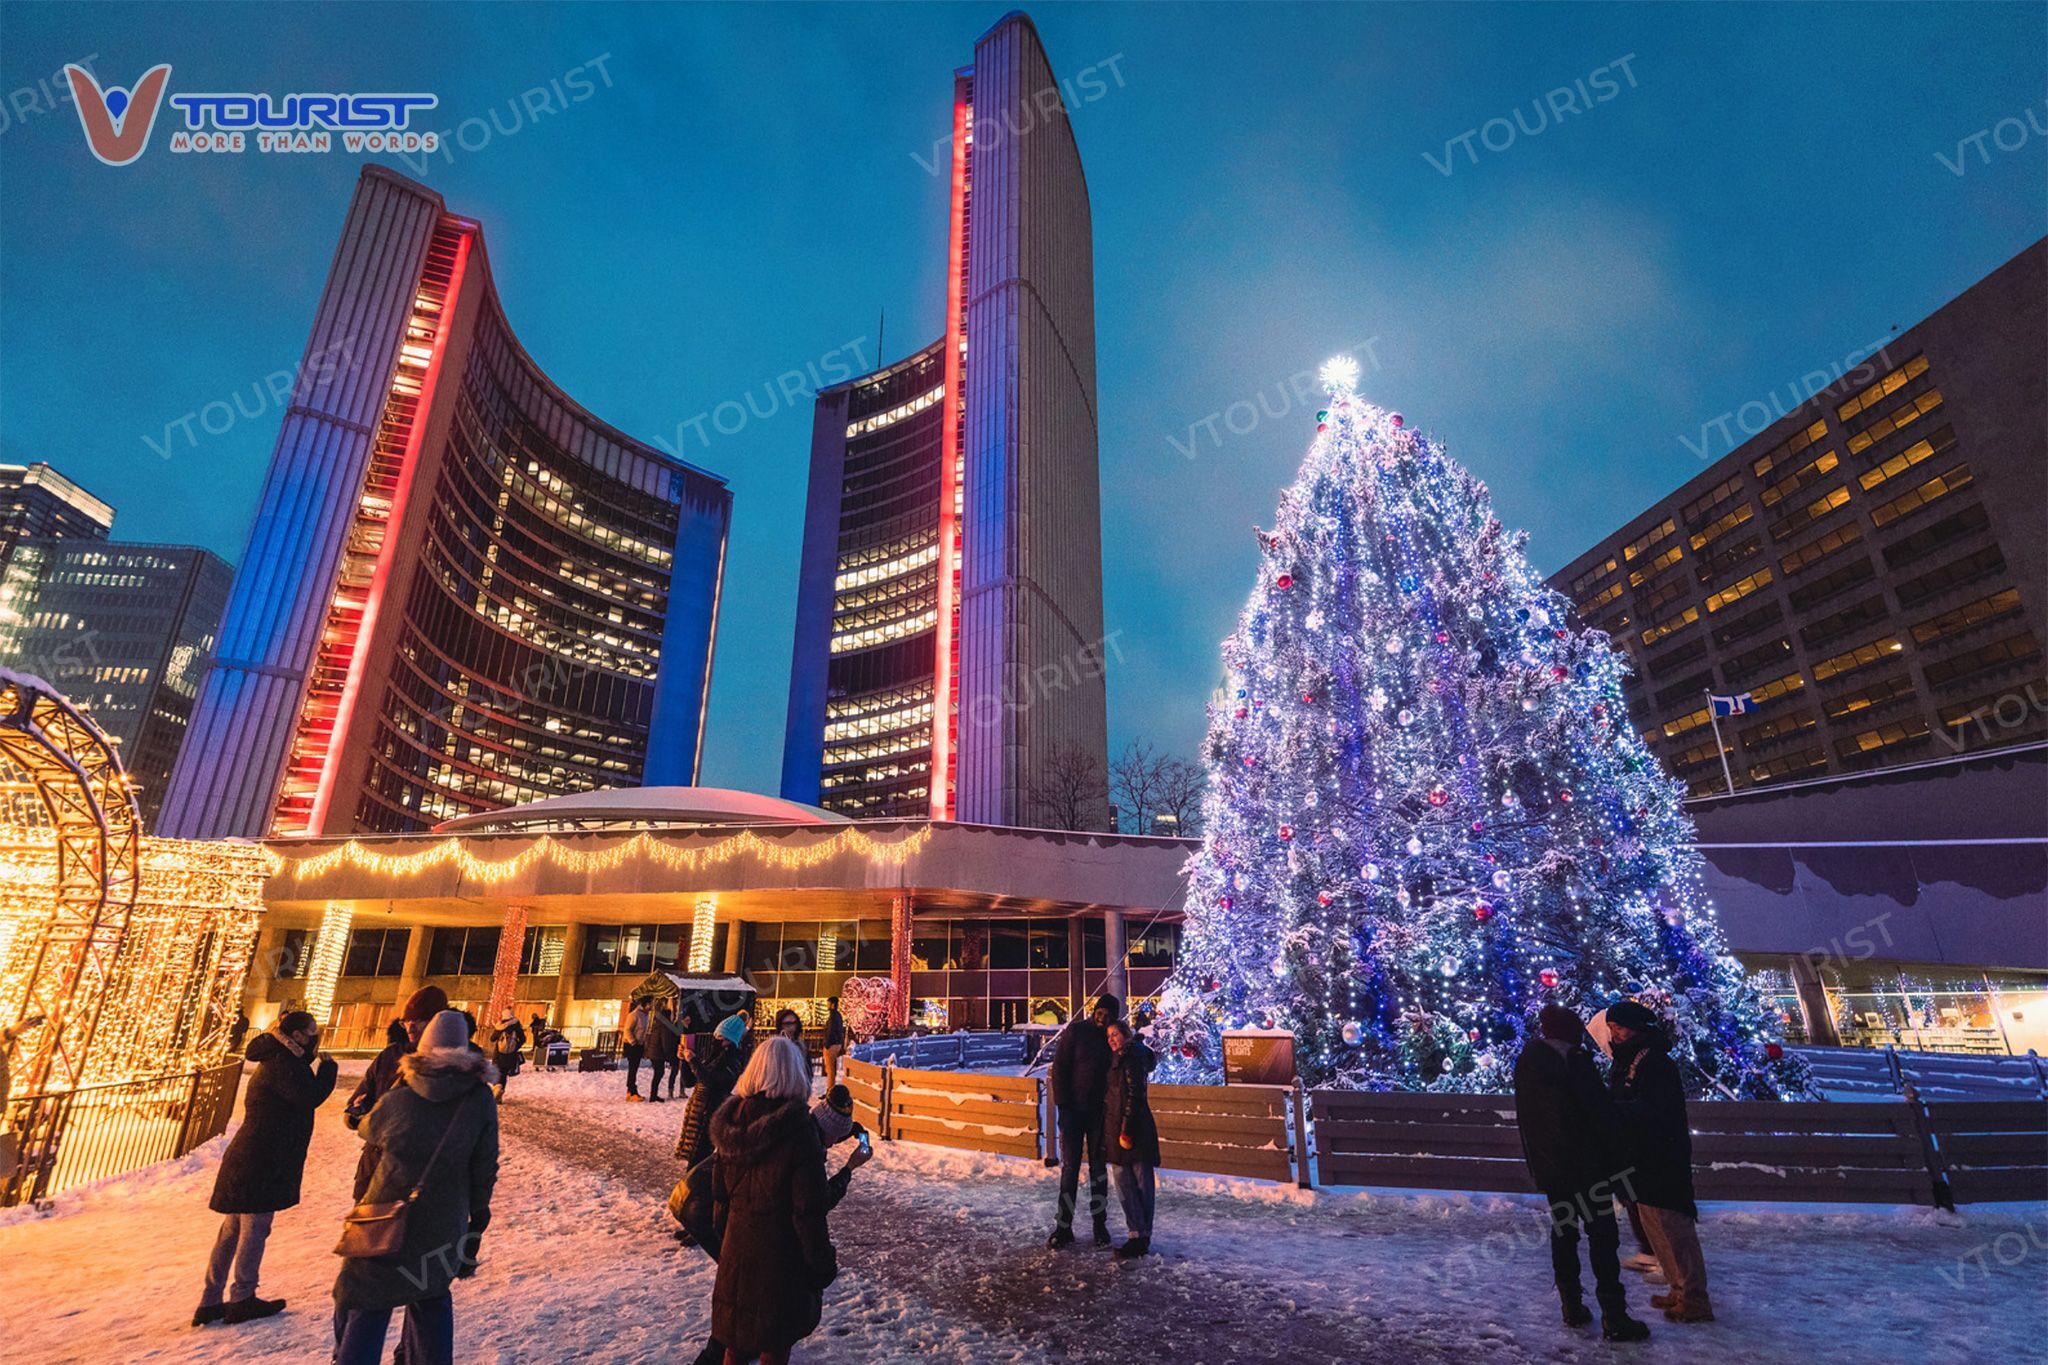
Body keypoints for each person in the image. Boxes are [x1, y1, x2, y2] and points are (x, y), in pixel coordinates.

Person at [333, 1009, 500, 1365]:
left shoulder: (400, 1099)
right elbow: (485, 1165)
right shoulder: (479, 1100)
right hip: (445, 1218)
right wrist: (478, 1213)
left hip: (387, 1212)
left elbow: (368, 1129)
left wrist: (400, 1083)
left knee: (368, 1300)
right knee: (431, 1298)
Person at [1513, 1004, 1650, 1342]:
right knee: (1603, 1238)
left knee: (1564, 1234)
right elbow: (1600, 1116)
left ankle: (1571, 1306)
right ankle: (1615, 1316)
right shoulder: (1574, 1062)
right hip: (1587, 1168)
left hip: (1552, 1167)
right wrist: (1619, 1159)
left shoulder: (1529, 1063)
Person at [194, 1010, 337, 1327]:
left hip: (251, 1156)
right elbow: (308, 1096)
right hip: (262, 1159)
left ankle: (211, 1299)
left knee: (232, 1230)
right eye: (312, 1031)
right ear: (298, 1035)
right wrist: (328, 1070)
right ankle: (241, 1297)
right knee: (254, 1230)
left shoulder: (276, 1058)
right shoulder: (282, 1063)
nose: (316, 1036)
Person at [708, 1036, 838, 1364]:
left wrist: (729, 1245)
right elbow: (808, 1211)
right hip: (781, 1261)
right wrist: (821, 1264)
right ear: (795, 1073)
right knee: (773, 1347)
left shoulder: (731, 1124)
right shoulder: (798, 1131)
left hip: (737, 1256)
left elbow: (719, 1199)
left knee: (735, 1346)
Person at [1607, 999, 1714, 1324]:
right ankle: (1678, 1288)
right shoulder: (1625, 1060)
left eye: (1620, 1027)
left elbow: (1655, 1110)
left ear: (1637, 1029)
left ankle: (1694, 1297)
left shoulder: (1654, 1063)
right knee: (1656, 1230)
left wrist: (1618, 1111)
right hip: (1639, 1158)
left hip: (1661, 1158)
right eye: (1612, 1028)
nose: (1615, 1034)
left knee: (1675, 1230)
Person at [346, 986, 449, 1199]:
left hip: (422, 1175)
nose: (410, 1027)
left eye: (419, 1020)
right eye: (406, 1021)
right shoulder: (389, 1056)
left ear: (436, 1022)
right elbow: (363, 1096)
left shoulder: (454, 1065)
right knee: (367, 1229)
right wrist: (356, 1112)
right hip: (375, 1166)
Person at [1046, 994, 1118, 1249]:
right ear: (1094, 1011)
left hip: (1099, 1115)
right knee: (1070, 1170)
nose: (1103, 1017)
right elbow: (1060, 1068)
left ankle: (1100, 1225)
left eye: (1108, 1014)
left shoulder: (1113, 1039)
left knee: (1098, 1172)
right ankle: (1063, 1226)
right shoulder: (1076, 1032)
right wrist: (1064, 1107)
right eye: (1100, 1012)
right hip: (1074, 1113)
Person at [1102, 1018, 1159, 1260]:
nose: (1111, 1039)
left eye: (1115, 1034)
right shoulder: (1119, 1058)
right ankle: (1138, 1232)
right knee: (1125, 1183)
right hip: (1119, 1127)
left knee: (1137, 1182)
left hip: (1132, 1129)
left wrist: (1126, 1129)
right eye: (1108, 1036)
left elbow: (1134, 1095)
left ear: (1126, 1034)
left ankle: (1141, 1235)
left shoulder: (1132, 1058)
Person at [676, 1013, 751, 1169]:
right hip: (698, 1112)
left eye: (722, 1038)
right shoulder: (715, 1054)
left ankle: (696, 1190)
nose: (718, 1040)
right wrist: (684, 1061)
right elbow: (690, 1081)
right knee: (695, 1158)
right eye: (717, 1036)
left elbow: (710, 1081)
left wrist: (693, 1061)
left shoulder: (734, 1059)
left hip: (711, 1113)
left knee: (700, 1160)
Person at [647, 999, 681, 1104]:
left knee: (658, 1073)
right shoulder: (665, 1028)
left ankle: (654, 1094)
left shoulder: (657, 1025)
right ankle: (653, 1095)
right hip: (658, 1054)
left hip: (654, 1053)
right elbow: (666, 1043)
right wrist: (670, 1056)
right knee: (658, 1073)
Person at [489, 1010, 525, 1102]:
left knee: (496, 1072)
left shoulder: (500, 1026)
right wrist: (515, 1047)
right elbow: (523, 1039)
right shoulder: (517, 1025)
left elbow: (492, 1039)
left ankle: (497, 1088)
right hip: (510, 1055)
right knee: (504, 1074)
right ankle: (500, 1094)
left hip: (499, 1054)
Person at [623, 998, 652, 1100]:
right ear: (645, 1004)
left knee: (634, 1069)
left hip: (639, 1045)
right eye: (650, 1004)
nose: (651, 1006)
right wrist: (633, 1042)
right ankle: (632, 1091)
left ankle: (630, 1091)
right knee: (633, 1068)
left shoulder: (645, 1015)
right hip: (632, 1045)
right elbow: (627, 1029)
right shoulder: (634, 1015)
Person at [821, 997, 847, 1090]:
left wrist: (827, 1044)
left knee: (830, 1068)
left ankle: (830, 1089)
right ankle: (830, 1087)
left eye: (828, 1003)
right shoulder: (838, 1015)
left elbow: (830, 1030)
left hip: (832, 1044)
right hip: (837, 1043)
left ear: (832, 1004)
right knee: (831, 1067)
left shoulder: (833, 1015)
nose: (827, 1005)